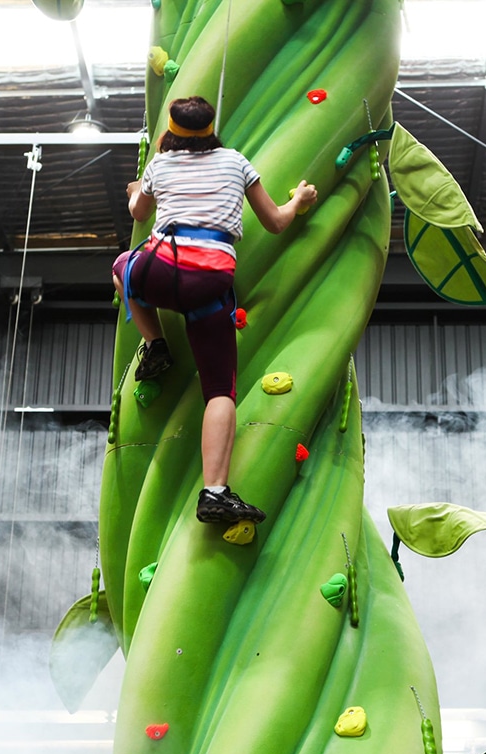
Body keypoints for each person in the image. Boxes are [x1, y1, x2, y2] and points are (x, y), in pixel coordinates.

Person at [113, 96, 317, 526]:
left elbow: (138, 211)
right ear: (211, 130)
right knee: (220, 390)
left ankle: (155, 345)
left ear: (170, 132)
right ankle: (216, 492)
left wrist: (138, 190)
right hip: (209, 284)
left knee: (122, 269)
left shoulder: (160, 166)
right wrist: (298, 199)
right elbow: (276, 222)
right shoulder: (237, 163)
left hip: (160, 271)